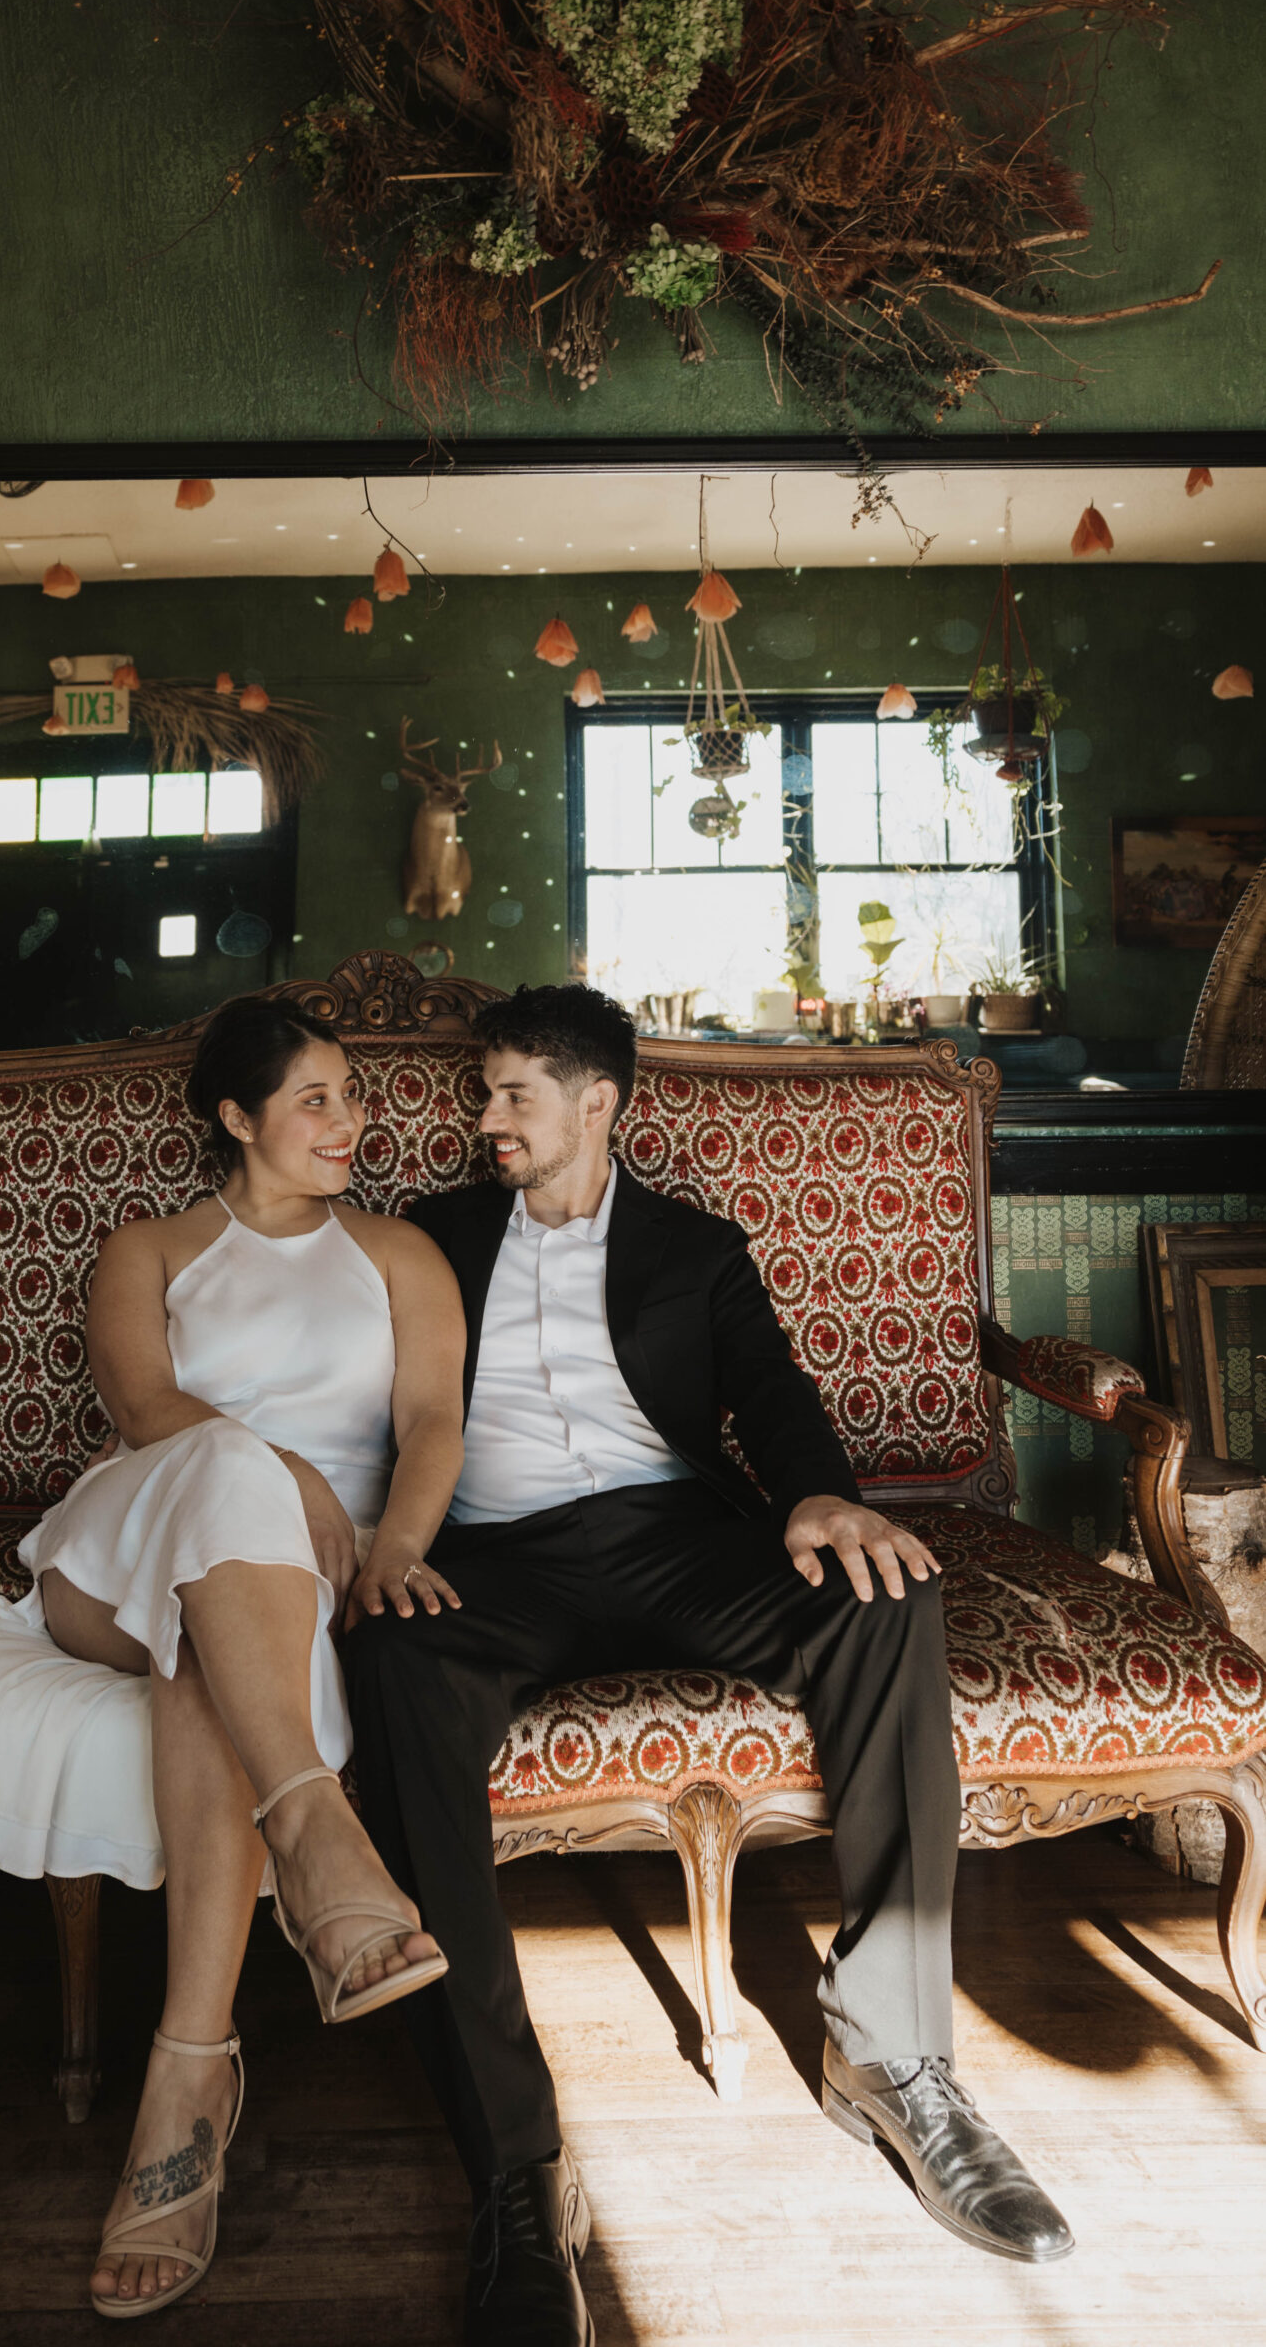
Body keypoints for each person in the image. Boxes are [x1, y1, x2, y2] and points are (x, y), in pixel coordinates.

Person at [344, 980, 1073, 2347]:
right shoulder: (424, 1239)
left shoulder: (693, 1247)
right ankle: (514, 2161)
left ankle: (896, 2054)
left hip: (672, 1538)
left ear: (598, 1103)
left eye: (514, 1095)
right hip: (492, 1558)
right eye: (480, 1092)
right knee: (388, 1663)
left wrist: (817, 1496)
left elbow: (775, 1394)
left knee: (883, 1594)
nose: (484, 1118)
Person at [0, 997, 467, 2319]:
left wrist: (395, 1548)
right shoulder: (153, 1247)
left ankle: (188, 2080)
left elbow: (430, 1423)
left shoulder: (401, 1253)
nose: (350, 1121)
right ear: (234, 1119)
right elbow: (145, 1409)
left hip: (291, 1591)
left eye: (355, 1094)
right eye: (315, 1098)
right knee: (221, 1475)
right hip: (110, 1563)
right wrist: (288, 1469)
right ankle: (318, 1838)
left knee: (215, 1640)